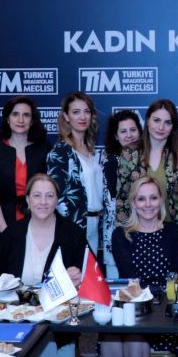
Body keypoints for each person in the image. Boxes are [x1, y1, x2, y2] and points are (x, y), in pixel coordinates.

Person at [107, 177, 178, 357]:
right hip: (133, 304)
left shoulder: (177, 233)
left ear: (161, 200)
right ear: (133, 202)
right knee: (112, 332)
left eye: (153, 198)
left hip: (167, 310)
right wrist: (147, 295)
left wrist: (161, 298)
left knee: (134, 334)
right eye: (141, 199)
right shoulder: (121, 235)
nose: (148, 204)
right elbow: (129, 277)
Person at [46, 92, 116, 276]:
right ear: (66, 116)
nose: (82, 116)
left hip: (94, 224)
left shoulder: (91, 149)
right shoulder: (60, 151)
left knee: (89, 278)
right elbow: (56, 196)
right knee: (74, 277)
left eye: (87, 111)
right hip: (74, 226)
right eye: (76, 112)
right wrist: (70, 230)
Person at [116, 99, 178, 241]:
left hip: (173, 234)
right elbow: (122, 200)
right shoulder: (129, 153)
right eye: (157, 120)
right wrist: (122, 238)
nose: (161, 127)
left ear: (173, 127)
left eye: (167, 122)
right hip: (137, 233)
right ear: (147, 121)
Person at [0, 96, 52, 250]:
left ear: (32, 120)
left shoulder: (44, 149)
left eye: (26, 115)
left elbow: (50, 192)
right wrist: (6, 232)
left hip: (36, 224)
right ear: (7, 119)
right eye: (15, 114)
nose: (20, 120)